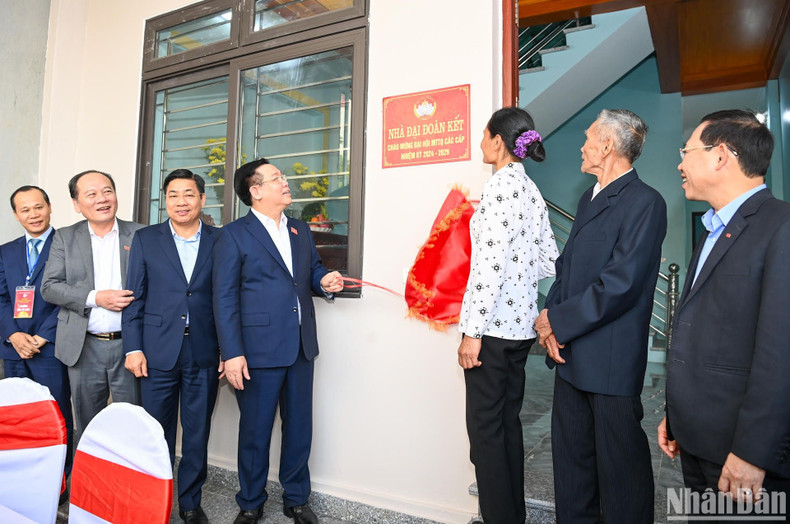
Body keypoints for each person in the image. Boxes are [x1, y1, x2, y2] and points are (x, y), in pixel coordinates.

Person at [534, 109, 667, 523]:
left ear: (607, 145)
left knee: (620, 474)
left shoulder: (645, 202)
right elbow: (566, 266)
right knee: (572, 472)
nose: (582, 145)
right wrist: (550, 318)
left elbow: (621, 284)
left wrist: (557, 321)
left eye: (588, 137)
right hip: (569, 355)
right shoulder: (588, 196)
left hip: (609, 363)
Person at [658, 110, 790, 516]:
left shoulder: (780, 227)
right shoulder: (714, 229)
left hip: (743, 452)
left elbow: (780, 352)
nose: (680, 163)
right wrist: (676, 416)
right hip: (699, 441)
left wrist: (754, 451)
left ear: (721, 156)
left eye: (687, 151)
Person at [213, 158, 344, 524]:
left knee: (300, 426)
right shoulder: (233, 235)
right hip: (257, 351)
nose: (285, 182)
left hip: (301, 345)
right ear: (255, 191)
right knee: (255, 431)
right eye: (276, 178)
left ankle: (297, 499)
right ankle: (251, 502)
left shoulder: (300, 229)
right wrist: (233, 353)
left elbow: (311, 272)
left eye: (283, 176)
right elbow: (223, 298)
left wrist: (324, 281)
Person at [457, 106, 559, 524]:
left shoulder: (500, 189)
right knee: (506, 427)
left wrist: (471, 332)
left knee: (485, 435)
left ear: (499, 142)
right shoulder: (530, 190)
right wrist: (521, 279)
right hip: (518, 332)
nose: (480, 143)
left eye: (484, 136)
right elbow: (551, 261)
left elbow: (488, 266)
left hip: (492, 331)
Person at [122, 170, 220, 524]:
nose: (182, 201)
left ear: (202, 199)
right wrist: (133, 348)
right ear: (166, 200)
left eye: (189, 194)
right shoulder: (147, 239)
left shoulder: (219, 240)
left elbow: (226, 300)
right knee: (155, 432)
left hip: (205, 351)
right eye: (174, 195)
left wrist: (228, 350)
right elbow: (135, 298)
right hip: (156, 351)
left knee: (196, 433)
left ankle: (190, 503)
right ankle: (154, 500)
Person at [41, 170, 144, 446]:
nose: (102, 199)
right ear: (76, 203)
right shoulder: (65, 237)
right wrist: (95, 298)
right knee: (88, 426)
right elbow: (49, 286)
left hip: (130, 347)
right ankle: (93, 487)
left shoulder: (141, 234)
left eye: (107, 190)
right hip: (83, 346)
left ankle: (130, 487)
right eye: (92, 194)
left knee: (133, 422)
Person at [0, 186, 74, 480]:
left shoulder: (68, 245)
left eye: (38, 207)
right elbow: (2, 298)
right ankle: (22, 476)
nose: (33, 214)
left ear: (50, 207)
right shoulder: (6, 251)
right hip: (14, 347)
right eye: (25, 210)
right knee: (18, 415)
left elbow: (71, 296)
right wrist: (13, 336)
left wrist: (42, 336)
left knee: (56, 415)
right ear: (16, 215)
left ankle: (59, 479)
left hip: (51, 347)